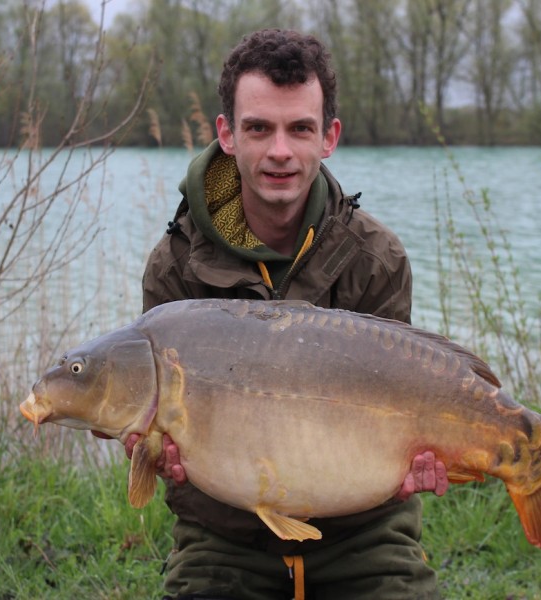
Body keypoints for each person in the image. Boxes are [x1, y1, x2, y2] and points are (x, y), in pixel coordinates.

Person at [125, 29, 448, 599]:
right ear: (227, 134)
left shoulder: (377, 260)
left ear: (329, 137)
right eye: (259, 128)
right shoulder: (174, 267)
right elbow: (158, 433)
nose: (280, 151)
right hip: (227, 537)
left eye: (300, 128)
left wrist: (416, 464)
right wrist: (159, 453)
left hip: (362, 533)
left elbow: (403, 416)